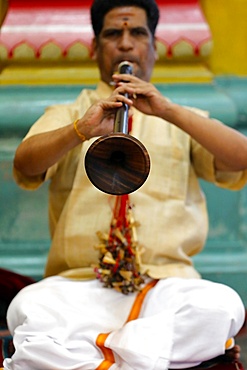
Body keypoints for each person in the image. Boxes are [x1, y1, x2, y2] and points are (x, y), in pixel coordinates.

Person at [3, 0, 247, 369]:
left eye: (138, 33)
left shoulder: (183, 118)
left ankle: (101, 354)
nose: (126, 44)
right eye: (113, 33)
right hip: (80, 287)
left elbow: (241, 157)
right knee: (28, 308)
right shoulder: (69, 115)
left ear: (154, 47)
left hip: (165, 285)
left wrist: (168, 111)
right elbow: (25, 163)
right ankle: (139, 355)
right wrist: (79, 130)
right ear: (95, 48)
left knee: (221, 305)